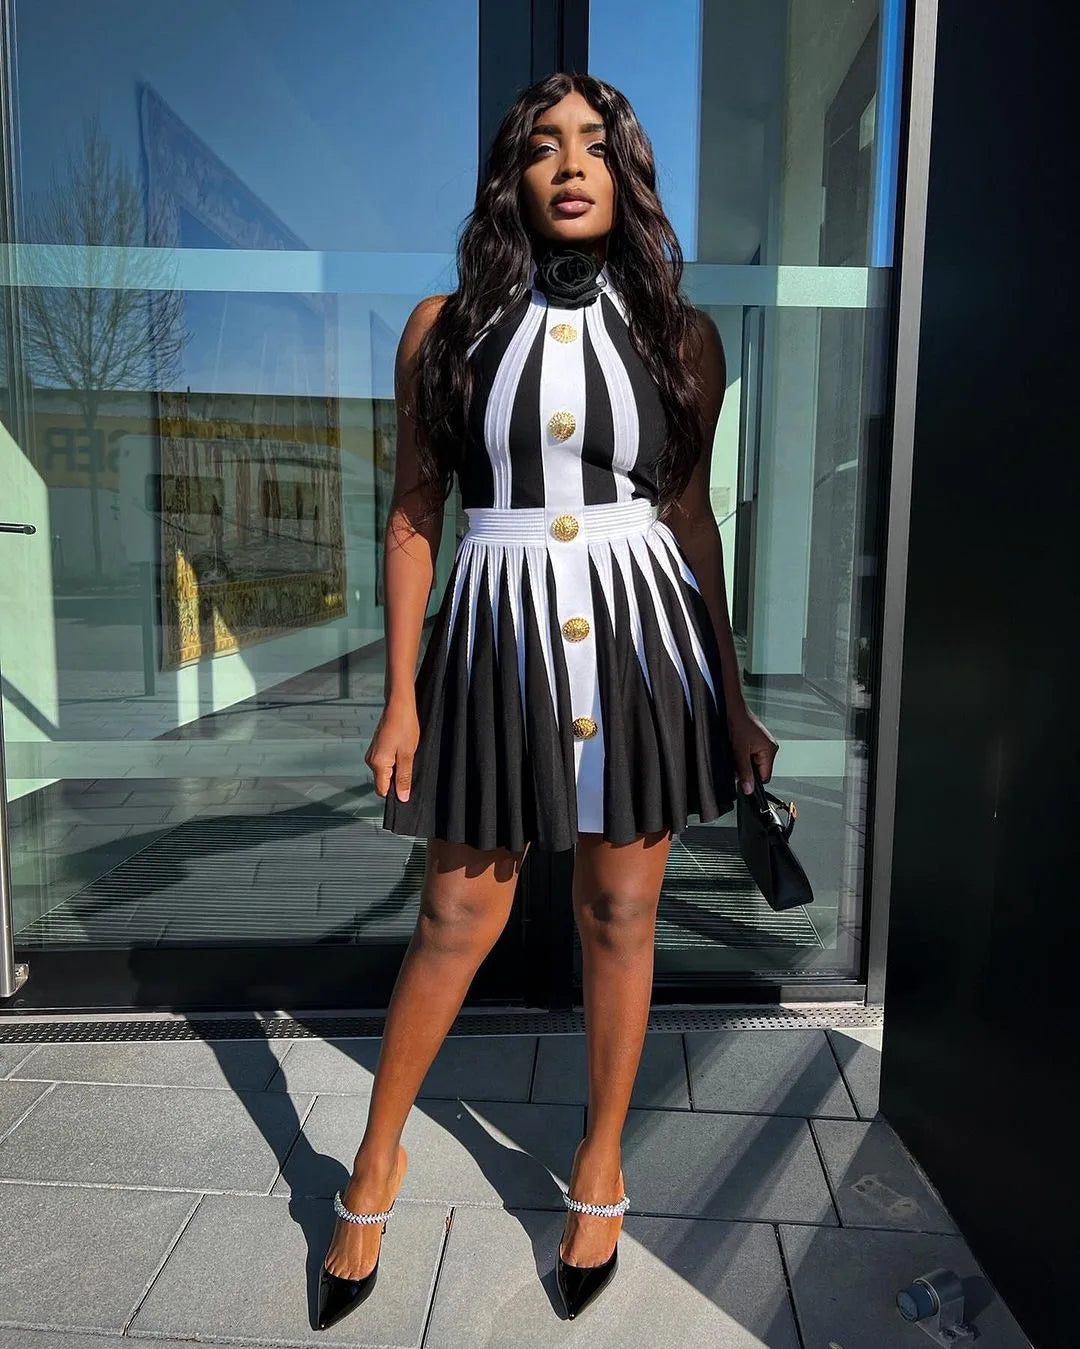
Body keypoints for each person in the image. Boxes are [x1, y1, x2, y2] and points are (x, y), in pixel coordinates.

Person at [317, 71, 780, 1331]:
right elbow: (415, 515)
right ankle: (375, 1161)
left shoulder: (683, 336)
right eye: (542, 145)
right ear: (510, 176)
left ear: (626, 171)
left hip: (642, 635)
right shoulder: (444, 327)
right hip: (493, 629)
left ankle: (600, 1160)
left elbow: (692, 521)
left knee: (621, 912)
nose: (570, 164)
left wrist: (733, 698)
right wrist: (400, 694)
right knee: (455, 915)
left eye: (594, 144)